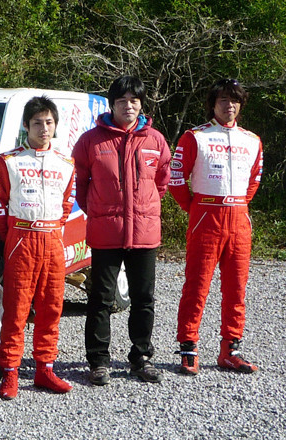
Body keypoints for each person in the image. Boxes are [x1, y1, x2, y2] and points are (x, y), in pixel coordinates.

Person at [71, 76, 171, 385]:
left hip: (144, 232)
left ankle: (141, 357)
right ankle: (98, 361)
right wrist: (99, 210)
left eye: (134, 100)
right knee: (100, 299)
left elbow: (162, 182)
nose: (128, 106)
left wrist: (144, 210)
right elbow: (79, 184)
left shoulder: (155, 140)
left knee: (143, 298)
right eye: (122, 101)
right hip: (106, 232)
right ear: (111, 104)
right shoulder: (91, 141)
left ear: (141, 105)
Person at [170, 78, 263, 375]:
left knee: (236, 288)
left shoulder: (252, 140)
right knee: (197, 285)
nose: (229, 105)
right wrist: (195, 209)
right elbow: (175, 179)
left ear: (241, 105)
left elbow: (254, 181)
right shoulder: (195, 137)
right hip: (205, 216)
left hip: (239, 218)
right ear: (213, 104)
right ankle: (188, 347)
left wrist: (238, 205)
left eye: (234, 100)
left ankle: (230, 350)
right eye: (223, 99)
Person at [0, 96, 75, 400]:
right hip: (21, 240)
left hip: (52, 239)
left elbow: (67, 204)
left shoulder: (66, 163)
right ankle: (10, 372)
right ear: (26, 125)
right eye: (37, 122)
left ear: (55, 125)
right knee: (16, 310)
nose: (44, 128)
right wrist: (10, 236)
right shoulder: (8, 161)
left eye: (49, 122)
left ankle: (45, 369)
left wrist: (52, 229)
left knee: (52, 308)